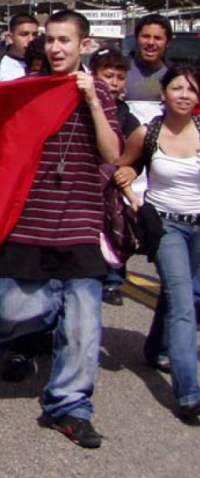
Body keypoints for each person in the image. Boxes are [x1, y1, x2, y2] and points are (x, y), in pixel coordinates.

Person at [0, 10, 121, 449]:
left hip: (79, 223)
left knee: (84, 324)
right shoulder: (26, 91)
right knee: (18, 310)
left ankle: (69, 406)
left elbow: (111, 154)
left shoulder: (101, 95)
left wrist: (92, 99)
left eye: (65, 41)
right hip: (28, 221)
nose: (56, 48)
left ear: (83, 45)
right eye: (50, 40)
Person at [113, 63, 200, 424]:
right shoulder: (148, 133)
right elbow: (123, 166)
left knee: (187, 295)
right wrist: (131, 191)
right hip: (166, 227)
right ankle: (189, 393)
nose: (184, 95)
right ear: (163, 93)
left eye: (192, 90)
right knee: (183, 304)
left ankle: (154, 348)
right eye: (178, 88)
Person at [88, 46, 140, 307]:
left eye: (120, 77)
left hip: (112, 186)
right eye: (108, 75)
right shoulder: (83, 105)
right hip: (86, 184)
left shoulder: (125, 114)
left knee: (116, 230)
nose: (114, 82)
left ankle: (113, 280)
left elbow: (138, 150)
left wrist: (132, 168)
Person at [125, 13, 172, 102]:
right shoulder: (119, 70)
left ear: (167, 43)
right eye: (146, 36)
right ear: (136, 38)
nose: (151, 42)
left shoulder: (173, 75)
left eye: (157, 38)